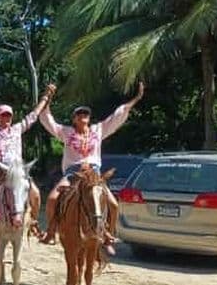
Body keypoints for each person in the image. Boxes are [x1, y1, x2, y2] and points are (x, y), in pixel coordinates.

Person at [39, 82, 145, 254]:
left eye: (85, 114)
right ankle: (51, 231)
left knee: (113, 204)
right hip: (73, 173)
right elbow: (48, 120)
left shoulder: (98, 129)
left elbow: (117, 116)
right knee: (52, 199)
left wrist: (135, 99)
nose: (83, 116)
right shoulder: (66, 132)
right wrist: (48, 98)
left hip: (94, 174)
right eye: (79, 114)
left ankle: (107, 234)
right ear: (74, 119)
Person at [0, 82, 52, 222]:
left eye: (8, 116)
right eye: (3, 116)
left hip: (17, 170)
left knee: (35, 194)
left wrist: (46, 96)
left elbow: (34, 115)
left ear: (12, 117)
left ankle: (34, 222)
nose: (6, 118)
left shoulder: (17, 129)